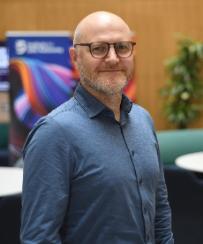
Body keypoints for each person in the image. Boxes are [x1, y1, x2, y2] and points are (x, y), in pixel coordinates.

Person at [21, 11, 174, 244]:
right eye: (98, 48)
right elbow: (38, 238)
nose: (113, 58)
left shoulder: (143, 120)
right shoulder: (53, 133)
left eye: (122, 47)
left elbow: (160, 209)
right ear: (75, 57)